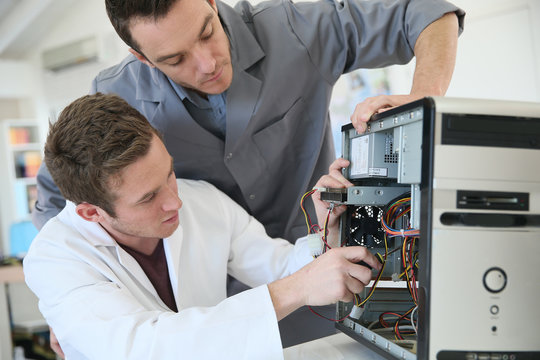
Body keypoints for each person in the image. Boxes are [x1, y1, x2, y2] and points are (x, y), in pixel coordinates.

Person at [33, 0, 465, 243]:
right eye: (174, 59)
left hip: (324, 258)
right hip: (208, 302)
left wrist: (422, 100)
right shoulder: (118, 95)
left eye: (206, 32)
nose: (205, 65)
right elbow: (56, 191)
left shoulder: (295, 33)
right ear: (142, 58)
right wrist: (70, 291)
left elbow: (426, 12)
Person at [24, 93, 381, 359]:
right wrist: (296, 289)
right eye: (148, 198)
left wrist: (328, 228)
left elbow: (281, 267)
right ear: (91, 212)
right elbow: (147, 348)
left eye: (169, 174)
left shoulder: (202, 201)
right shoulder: (55, 260)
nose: (174, 201)